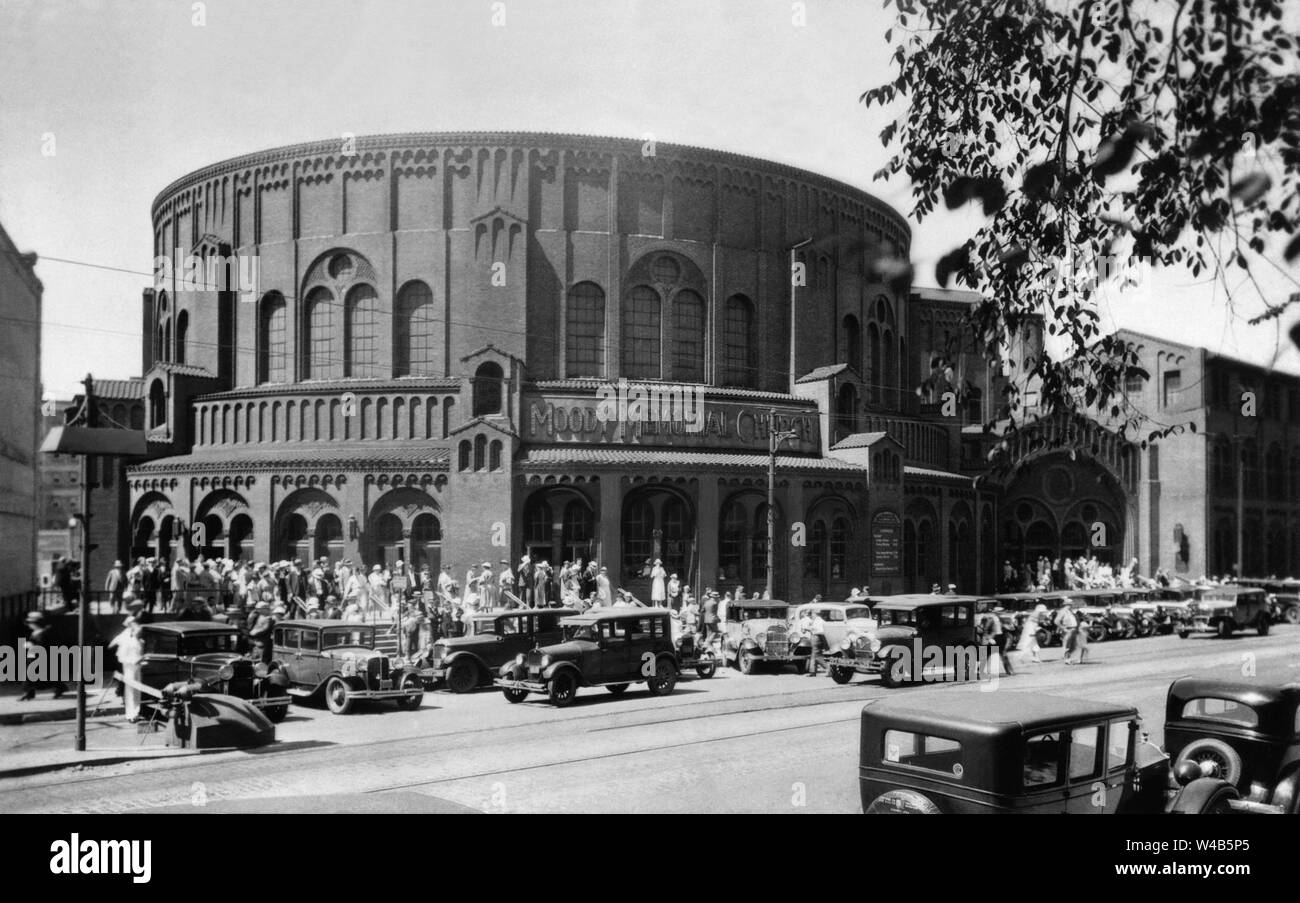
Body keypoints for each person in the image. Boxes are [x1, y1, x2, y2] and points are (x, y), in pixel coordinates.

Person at [19, 612, 68, 701]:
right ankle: (29, 693)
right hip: (33, 658)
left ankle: (59, 688)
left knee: (45, 677)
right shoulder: (34, 633)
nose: (30, 625)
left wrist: (32, 645)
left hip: (41, 658)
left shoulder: (45, 633)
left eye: (31, 623)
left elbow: (45, 646)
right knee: (31, 676)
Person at [108, 608, 145, 721]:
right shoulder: (125, 635)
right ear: (129, 625)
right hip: (129, 665)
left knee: (137, 689)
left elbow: (140, 649)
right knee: (130, 690)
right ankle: (130, 714)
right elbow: (113, 643)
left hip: (137, 665)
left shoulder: (137, 636)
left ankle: (136, 712)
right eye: (132, 623)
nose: (134, 625)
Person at [806, 608, 828, 677]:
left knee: (817, 656)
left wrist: (810, 628)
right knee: (814, 655)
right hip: (816, 638)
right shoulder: (817, 621)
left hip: (817, 638)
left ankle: (829, 669)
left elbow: (820, 631)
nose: (811, 615)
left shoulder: (819, 621)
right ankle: (812, 671)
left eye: (812, 614)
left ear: (815, 614)